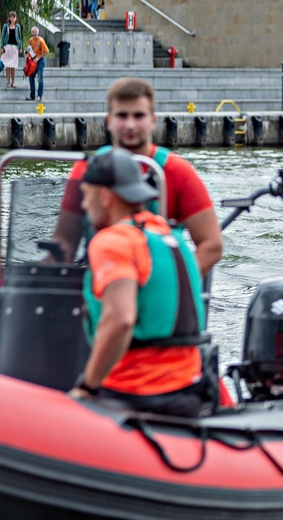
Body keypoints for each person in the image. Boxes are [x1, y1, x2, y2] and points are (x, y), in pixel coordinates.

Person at [68, 148, 207, 418]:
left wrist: (88, 386)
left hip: (137, 393)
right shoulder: (169, 235)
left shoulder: (112, 241)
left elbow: (120, 319)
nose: (84, 206)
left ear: (105, 197)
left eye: (86, 195)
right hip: (187, 389)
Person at [52, 78, 223, 275]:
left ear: (152, 120)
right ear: (109, 121)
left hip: (156, 283)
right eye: (122, 116)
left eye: (138, 116)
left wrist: (172, 284)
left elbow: (211, 245)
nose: (130, 125)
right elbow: (64, 242)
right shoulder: (85, 169)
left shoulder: (177, 171)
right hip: (99, 281)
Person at [25, 26, 47, 102]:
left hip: (40, 61)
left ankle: (39, 96)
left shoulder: (41, 41)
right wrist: (28, 56)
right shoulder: (31, 40)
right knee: (31, 78)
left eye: (35, 32)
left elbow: (46, 52)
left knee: (40, 79)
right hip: (33, 61)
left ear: (38, 32)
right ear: (31, 33)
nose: (34, 33)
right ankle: (32, 96)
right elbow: (30, 50)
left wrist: (38, 58)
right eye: (33, 32)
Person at [1, 12, 22, 88]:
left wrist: (20, 47)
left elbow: (19, 37)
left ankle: (13, 82)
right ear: (9, 18)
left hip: (15, 47)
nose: (13, 19)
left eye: (14, 17)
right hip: (7, 47)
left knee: (13, 66)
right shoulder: (5, 26)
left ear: (16, 18)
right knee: (7, 66)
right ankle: (8, 82)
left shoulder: (18, 26)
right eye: (11, 17)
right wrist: (2, 47)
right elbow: (2, 37)